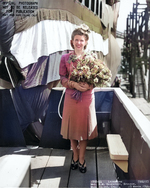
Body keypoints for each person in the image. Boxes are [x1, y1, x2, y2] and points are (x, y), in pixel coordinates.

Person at [59, 24, 98, 173]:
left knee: (84, 129)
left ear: (86, 41)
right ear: (72, 41)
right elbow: (62, 78)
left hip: (87, 97)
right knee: (73, 129)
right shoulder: (65, 58)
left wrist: (89, 86)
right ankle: (75, 156)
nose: (79, 43)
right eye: (76, 40)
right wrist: (73, 84)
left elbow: (98, 78)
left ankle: (81, 159)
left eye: (81, 40)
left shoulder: (92, 58)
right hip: (71, 96)